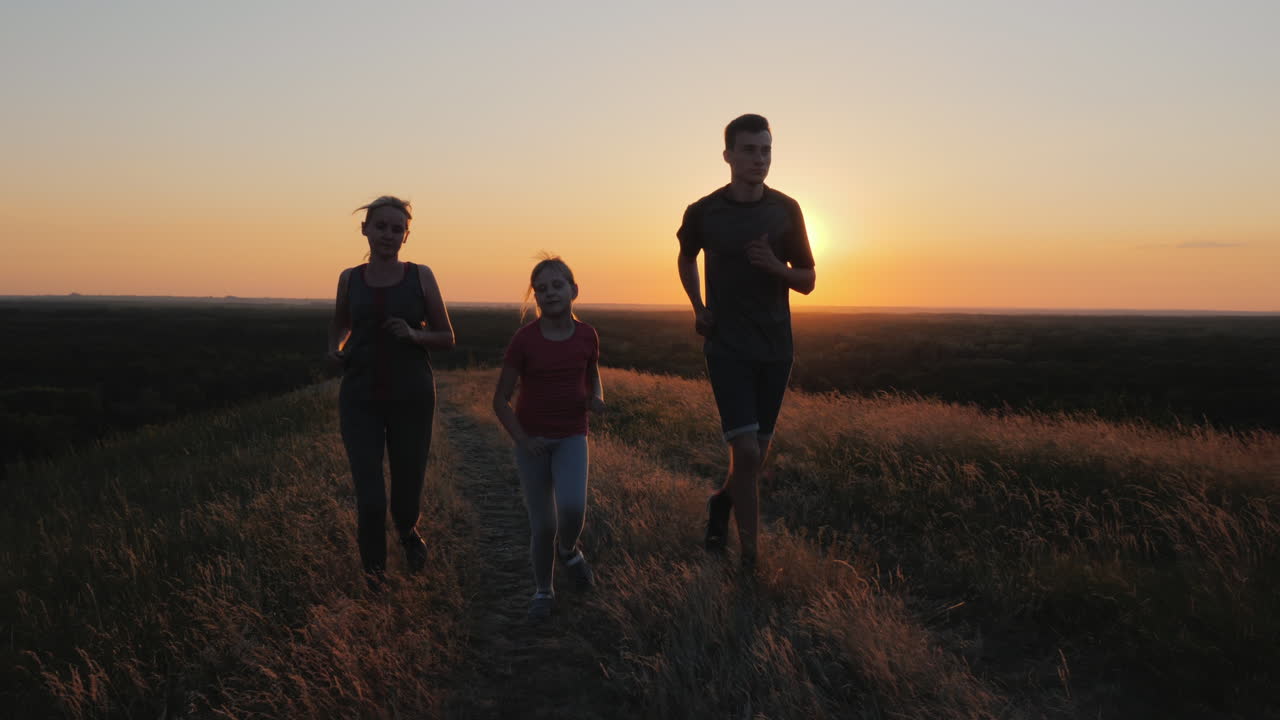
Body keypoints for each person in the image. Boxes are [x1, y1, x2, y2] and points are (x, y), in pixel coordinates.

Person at [675, 114, 817, 569]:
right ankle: (750, 562)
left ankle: (721, 502)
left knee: (752, 463)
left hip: (776, 349)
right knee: (747, 451)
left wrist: (775, 266)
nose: (760, 159)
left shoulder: (786, 210)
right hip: (727, 348)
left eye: (766, 150)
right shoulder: (704, 212)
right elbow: (686, 257)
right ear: (728, 156)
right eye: (750, 150)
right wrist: (698, 306)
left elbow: (808, 280)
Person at [328, 195, 455, 589]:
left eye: (396, 229)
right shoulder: (350, 278)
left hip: (411, 395)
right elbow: (341, 325)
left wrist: (414, 334)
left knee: (406, 486)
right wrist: (334, 348)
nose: (388, 234)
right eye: (380, 226)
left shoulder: (421, 276)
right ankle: (376, 581)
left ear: (406, 236)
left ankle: (407, 531)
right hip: (359, 396)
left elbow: (446, 336)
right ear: (365, 229)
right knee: (370, 496)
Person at [493, 255, 604, 622]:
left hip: (572, 435)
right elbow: (500, 400)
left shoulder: (587, 335)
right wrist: (524, 440)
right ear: (535, 298)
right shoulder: (524, 340)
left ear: (574, 290)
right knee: (543, 524)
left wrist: (597, 396)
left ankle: (569, 551)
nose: (550, 293)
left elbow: (592, 374)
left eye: (557, 285)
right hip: (534, 443)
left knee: (572, 508)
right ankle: (544, 590)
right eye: (541, 289)